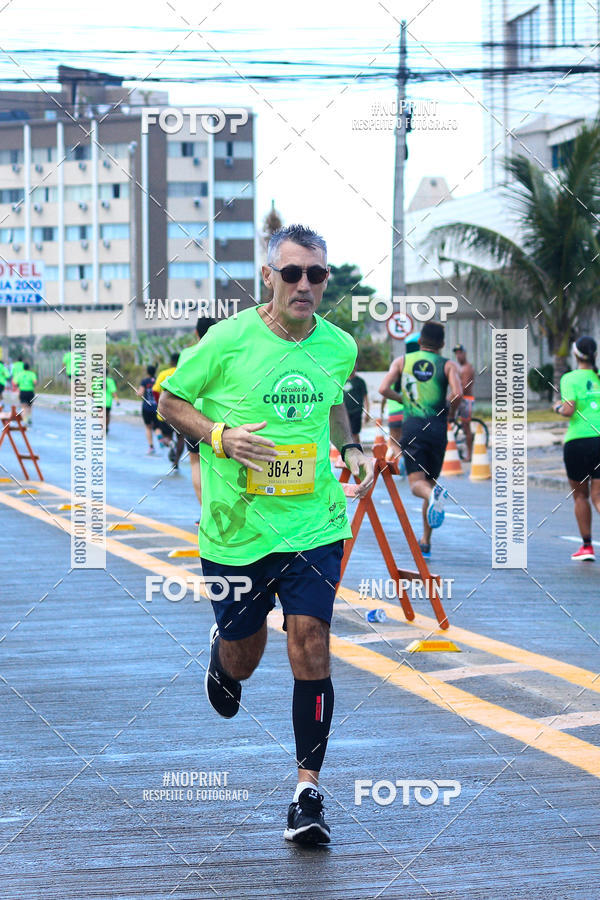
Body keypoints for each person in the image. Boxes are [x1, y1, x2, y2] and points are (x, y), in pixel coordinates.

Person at [159, 224, 373, 845]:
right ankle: (223, 657)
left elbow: (333, 403)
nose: (305, 285)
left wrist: (351, 447)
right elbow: (169, 401)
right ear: (268, 276)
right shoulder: (228, 340)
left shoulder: (338, 345)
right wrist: (220, 436)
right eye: (293, 273)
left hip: (314, 523)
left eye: (316, 274)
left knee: (311, 641)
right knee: (244, 657)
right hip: (238, 531)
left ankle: (307, 793)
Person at [379, 321, 462, 557]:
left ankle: (432, 499)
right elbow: (458, 393)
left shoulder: (402, 362)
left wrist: (403, 399)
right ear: (442, 343)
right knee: (430, 483)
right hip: (437, 429)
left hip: (413, 427)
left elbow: (383, 388)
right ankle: (425, 541)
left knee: (418, 484)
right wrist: (450, 412)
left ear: (420, 341)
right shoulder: (448, 365)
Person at [554, 336, 600, 561]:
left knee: (580, 496)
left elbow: (569, 409)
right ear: (595, 355)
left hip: (578, 442)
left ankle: (587, 547)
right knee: (598, 496)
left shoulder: (569, 378)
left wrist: (557, 408)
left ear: (575, 354)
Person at [177, 317, 218, 512]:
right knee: (219, 466)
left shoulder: (187, 354)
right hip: (218, 415)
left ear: (196, 333)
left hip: (193, 415)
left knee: (195, 462)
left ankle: (205, 512)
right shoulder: (222, 351)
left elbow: (180, 388)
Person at [382, 332, 420, 468]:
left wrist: (382, 410)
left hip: (394, 415)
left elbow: (383, 393)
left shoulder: (394, 375)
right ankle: (411, 464)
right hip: (409, 413)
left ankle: (402, 462)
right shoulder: (414, 374)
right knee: (409, 442)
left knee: (394, 443)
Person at [155, 352, 184, 464]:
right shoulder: (183, 372)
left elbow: (155, 390)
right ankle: (176, 462)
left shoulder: (164, 373)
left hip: (165, 412)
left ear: (171, 361)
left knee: (166, 436)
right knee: (180, 438)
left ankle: (171, 443)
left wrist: (159, 403)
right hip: (181, 412)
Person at [453, 343, 476, 461]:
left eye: (460, 353)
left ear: (464, 353)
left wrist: (454, 394)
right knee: (454, 421)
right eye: (456, 353)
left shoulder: (467, 368)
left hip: (466, 400)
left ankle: (469, 455)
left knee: (466, 428)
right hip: (460, 399)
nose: (458, 356)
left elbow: (465, 387)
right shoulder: (459, 367)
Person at [342, 365, 369, 443]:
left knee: (355, 433)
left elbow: (365, 397)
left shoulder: (360, 381)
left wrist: (367, 412)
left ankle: (357, 448)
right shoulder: (343, 381)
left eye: (354, 368)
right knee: (345, 433)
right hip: (345, 412)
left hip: (356, 411)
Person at [137, 364, 158, 454]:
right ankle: (161, 439)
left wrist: (137, 393)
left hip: (146, 407)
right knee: (157, 427)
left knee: (148, 427)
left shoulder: (144, 381)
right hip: (156, 407)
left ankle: (151, 447)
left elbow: (140, 393)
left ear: (147, 372)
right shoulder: (157, 380)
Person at [104, 369, 118, 434]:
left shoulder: (96, 380)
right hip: (108, 402)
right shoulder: (110, 381)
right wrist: (117, 400)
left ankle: (103, 427)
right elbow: (113, 392)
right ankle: (106, 427)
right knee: (107, 415)